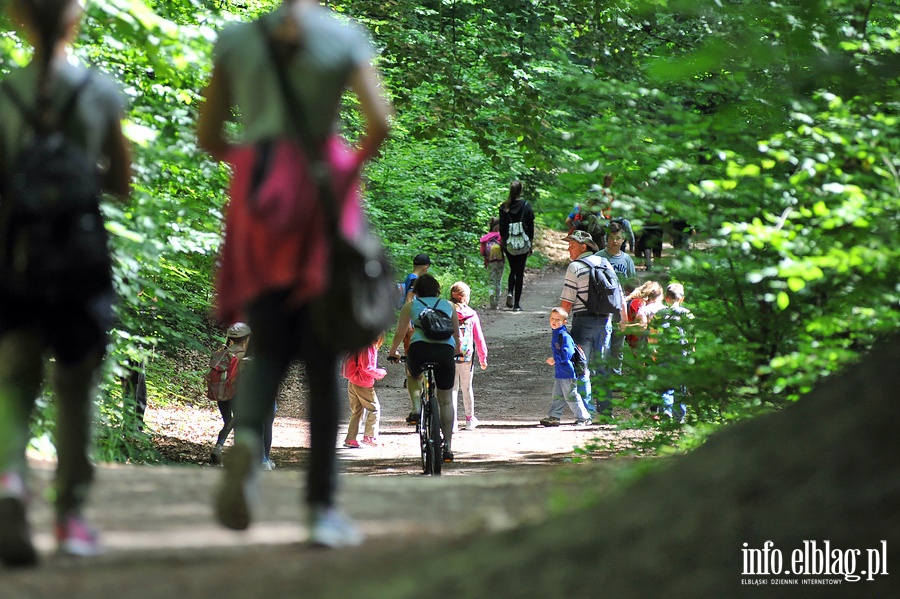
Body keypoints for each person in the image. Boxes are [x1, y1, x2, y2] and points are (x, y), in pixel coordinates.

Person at [197, 0, 392, 549]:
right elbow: (380, 122)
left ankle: (247, 444)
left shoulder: (236, 38)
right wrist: (344, 170)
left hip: (258, 197)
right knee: (323, 351)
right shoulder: (344, 35)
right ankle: (320, 510)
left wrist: (255, 166)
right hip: (321, 191)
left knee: (269, 341)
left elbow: (210, 136)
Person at [0, 0, 132, 566]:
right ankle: (70, 517)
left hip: (16, 259)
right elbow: (122, 183)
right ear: (75, 21)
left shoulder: (4, 95)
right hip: (79, 260)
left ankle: (8, 481)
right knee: (76, 387)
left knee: (13, 382)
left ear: (17, 20)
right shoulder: (100, 92)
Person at [388, 274, 461, 462]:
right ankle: (448, 447)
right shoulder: (449, 305)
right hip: (445, 351)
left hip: (420, 349)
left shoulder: (410, 306)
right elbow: (456, 333)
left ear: (417, 290)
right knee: (446, 401)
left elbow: (400, 332)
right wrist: (457, 352)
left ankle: (416, 408)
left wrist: (393, 352)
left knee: (413, 375)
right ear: (437, 289)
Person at [559, 230, 627, 419]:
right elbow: (619, 293)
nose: (568, 248)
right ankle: (606, 412)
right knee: (603, 367)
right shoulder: (605, 263)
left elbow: (567, 300)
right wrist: (624, 319)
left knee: (581, 366)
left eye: (572, 245)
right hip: (605, 322)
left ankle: (586, 412)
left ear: (584, 246)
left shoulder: (575, 267)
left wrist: (558, 324)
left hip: (583, 322)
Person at [540, 308, 592, 427]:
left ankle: (584, 417)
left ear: (564, 322)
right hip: (560, 373)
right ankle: (554, 417)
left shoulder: (564, 336)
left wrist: (555, 360)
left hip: (567, 372)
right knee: (557, 396)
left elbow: (568, 353)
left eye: (558, 319)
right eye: (552, 318)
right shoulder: (556, 333)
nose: (554, 321)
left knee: (571, 395)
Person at [209, 323, 251, 465]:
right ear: (246, 339)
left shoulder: (221, 353)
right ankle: (236, 456)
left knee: (228, 421)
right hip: (236, 393)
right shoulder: (243, 355)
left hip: (221, 391)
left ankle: (218, 447)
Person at [449, 282, 488, 432]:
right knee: (466, 387)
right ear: (465, 298)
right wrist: (483, 357)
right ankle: (469, 420)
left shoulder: (447, 312)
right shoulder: (472, 314)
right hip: (466, 355)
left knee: (452, 388)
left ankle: (452, 422)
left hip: (450, 354)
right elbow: (479, 339)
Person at [655, 283, 695, 422]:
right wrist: (692, 348)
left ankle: (666, 409)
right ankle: (679, 416)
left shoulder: (660, 313)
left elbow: (654, 333)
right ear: (682, 299)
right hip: (681, 353)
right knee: (680, 385)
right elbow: (691, 333)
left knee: (665, 384)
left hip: (664, 352)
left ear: (666, 298)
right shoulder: (686, 313)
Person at [342, 333, 386, 448]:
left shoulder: (359, 344)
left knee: (357, 411)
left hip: (353, 381)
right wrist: (379, 373)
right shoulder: (368, 347)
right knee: (374, 409)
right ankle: (369, 437)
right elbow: (367, 367)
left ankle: (350, 439)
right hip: (363, 383)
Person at [498, 180, 534, 311]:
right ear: (521, 191)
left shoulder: (504, 207)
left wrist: (503, 241)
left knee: (512, 269)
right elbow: (530, 226)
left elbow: (502, 227)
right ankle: (517, 304)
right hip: (523, 242)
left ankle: (509, 293)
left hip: (509, 243)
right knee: (520, 272)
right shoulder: (526, 206)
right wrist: (531, 242)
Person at [479, 218, 504, 310]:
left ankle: (491, 293)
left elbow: (482, 252)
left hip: (490, 261)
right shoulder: (500, 236)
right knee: (498, 281)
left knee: (491, 280)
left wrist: (485, 260)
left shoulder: (486, 237)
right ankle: (496, 303)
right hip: (500, 261)